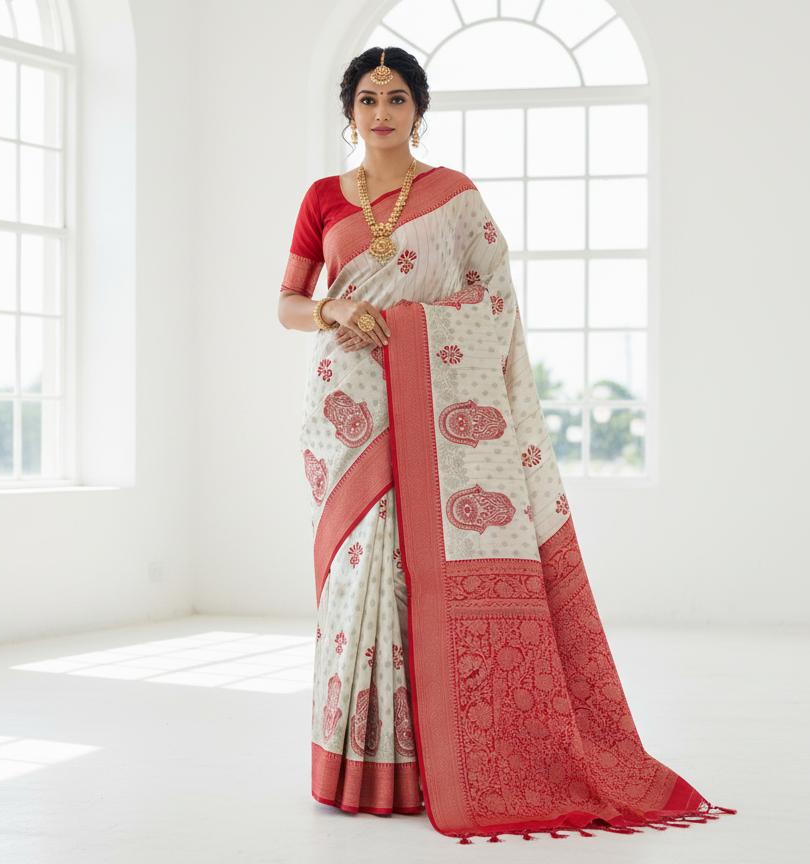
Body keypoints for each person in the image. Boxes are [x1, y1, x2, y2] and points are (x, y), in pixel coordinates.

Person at [278, 46, 736, 845]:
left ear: (420, 109)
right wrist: (335, 313)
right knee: (363, 577)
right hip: (352, 412)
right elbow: (287, 301)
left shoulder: (454, 197)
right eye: (365, 98)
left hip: (440, 407)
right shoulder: (322, 198)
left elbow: (492, 299)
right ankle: (362, 762)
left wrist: (416, 328)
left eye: (395, 98)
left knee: (420, 573)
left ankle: (440, 763)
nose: (379, 112)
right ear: (347, 111)